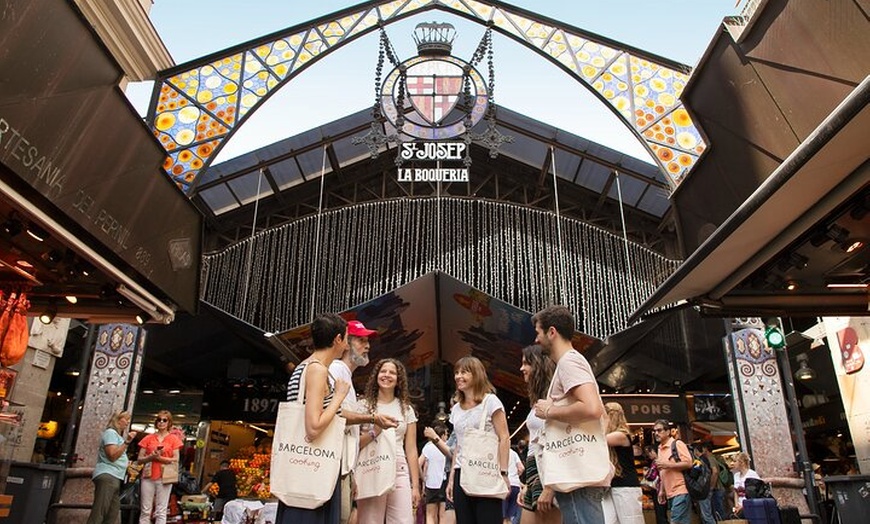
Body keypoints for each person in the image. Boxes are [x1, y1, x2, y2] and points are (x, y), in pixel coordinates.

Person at [531, 306, 608, 524]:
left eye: (538, 333)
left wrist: (550, 411)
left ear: (552, 332)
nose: (536, 340)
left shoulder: (569, 362)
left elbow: (592, 408)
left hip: (577, 477)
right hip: (578, 474)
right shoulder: (570, 362)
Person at [276, 313, 352, 524]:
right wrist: (338, 396)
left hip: (300, 468)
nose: (347, 344)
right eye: (346, 338)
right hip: (312, 469)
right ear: (337, 339)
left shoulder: (305, 366)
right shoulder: (317, 370)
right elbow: (314, 426)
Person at [329, 320, 399, 524]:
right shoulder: (336, 370)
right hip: (334, 464)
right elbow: (334, 412)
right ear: (345, 343)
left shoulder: (347, 376)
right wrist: (372, 418)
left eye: (367, 341)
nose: (367, 346)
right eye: (361, 340)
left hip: (345, 466)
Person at [356, 358, 421, 524]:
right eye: (383, 371)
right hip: (371, 466)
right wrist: (375, 430)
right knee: (369, 521)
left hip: (399, 469)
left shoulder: (406, 409)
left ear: (399, 380)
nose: (387, 375)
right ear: (376, 376)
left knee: (403, 520)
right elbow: (353, 445)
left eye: (392, 372)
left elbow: (412, 450)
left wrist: (415, 486)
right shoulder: (363, 406)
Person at [446, 356, 510, 524]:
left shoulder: (491, 401)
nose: (458, 376)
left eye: (464, 372)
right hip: (462, 472)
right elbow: (459, 445)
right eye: (456, 372)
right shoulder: (456, 409)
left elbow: (504, 438)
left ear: (477, 375)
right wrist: (452, 478)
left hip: (485, 470)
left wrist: (503, 473)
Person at [517, 344, 560, 524]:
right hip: (536, 472)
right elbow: (535, 445)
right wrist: (528, 482)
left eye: (526, 363)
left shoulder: (555, 398)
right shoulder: (539, 399)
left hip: (549, 475)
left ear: (538, 366)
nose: (522, 368)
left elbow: (556, 443)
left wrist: (550, 487)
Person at [87, 411, 137, 524]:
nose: (128, 422)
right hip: (108, 475)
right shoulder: (110, 433)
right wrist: (127, 442)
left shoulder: (116, 435)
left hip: (115, 477)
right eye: (126, 419)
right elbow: (112, 455)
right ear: (117, 420)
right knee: (100, 511)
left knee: (112, 513)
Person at [137, 410, 184, 524]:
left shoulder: (173, 439)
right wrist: (151, 457)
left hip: (165, 476)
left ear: (169, 423)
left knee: (161, 510)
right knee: (145, 509)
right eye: (159, 420)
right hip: (148, 475)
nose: (161, 422)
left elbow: (176, 459)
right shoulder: (148, 438)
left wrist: (160, 459)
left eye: (164, 420)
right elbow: (139, 459)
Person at [602, 402, 643, 524]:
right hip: (612, 486)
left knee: (631, 521)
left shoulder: (622, 435)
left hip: (626, 487)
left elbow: (599, 440)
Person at [652, 420, 692, 524]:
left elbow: (688, 463)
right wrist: (662, 490)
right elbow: (662, 471)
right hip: (670, 493)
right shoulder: (660, 448)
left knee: (676, 521)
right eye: (655, 431)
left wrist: (668, 465)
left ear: (668, 431)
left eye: (659, 430)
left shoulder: (677, 444)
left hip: (681, 489)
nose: (656, 433)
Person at [420, 424, 449, 524]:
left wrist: (423, 478)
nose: (447, 437)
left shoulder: (428, 447)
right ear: (441, 435)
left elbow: (418, 463)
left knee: (430, 514)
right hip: (443, 482)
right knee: (442, 514)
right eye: (446, 434)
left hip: (431, 483)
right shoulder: (446, 447)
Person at [641, 446, 667, 524]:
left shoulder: (656, 461)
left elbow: (651, 476)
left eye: (649, 453)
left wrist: (646, 473)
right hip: (661, 489)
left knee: (660, 514)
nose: (649, 455)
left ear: (653, 451)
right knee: (662, 513)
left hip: (659, 490)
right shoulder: (660, 460)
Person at [693, 443, 718, 524]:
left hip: (703, 490)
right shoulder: (706, 459)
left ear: (696, 451)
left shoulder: (699, 461)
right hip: (707, 488)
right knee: (708, 513)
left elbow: (694, 474)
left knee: (707, 516)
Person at [730, 452, 761, 517]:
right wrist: (736, 505)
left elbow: (754, 493)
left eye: (735, 461)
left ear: (742, 463)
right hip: (739, 505)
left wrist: (742, 507)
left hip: (750, 505)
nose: (733, 463)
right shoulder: (736, 475)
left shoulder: (752, 474)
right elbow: (735, 492)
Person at [502, 447, 523, 524]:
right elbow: (521, 468)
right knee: (510, 518)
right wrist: (516, 475)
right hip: (515, 485)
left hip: (503, 485)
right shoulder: (514, 453)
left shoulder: (498, 450)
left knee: (502, 517)